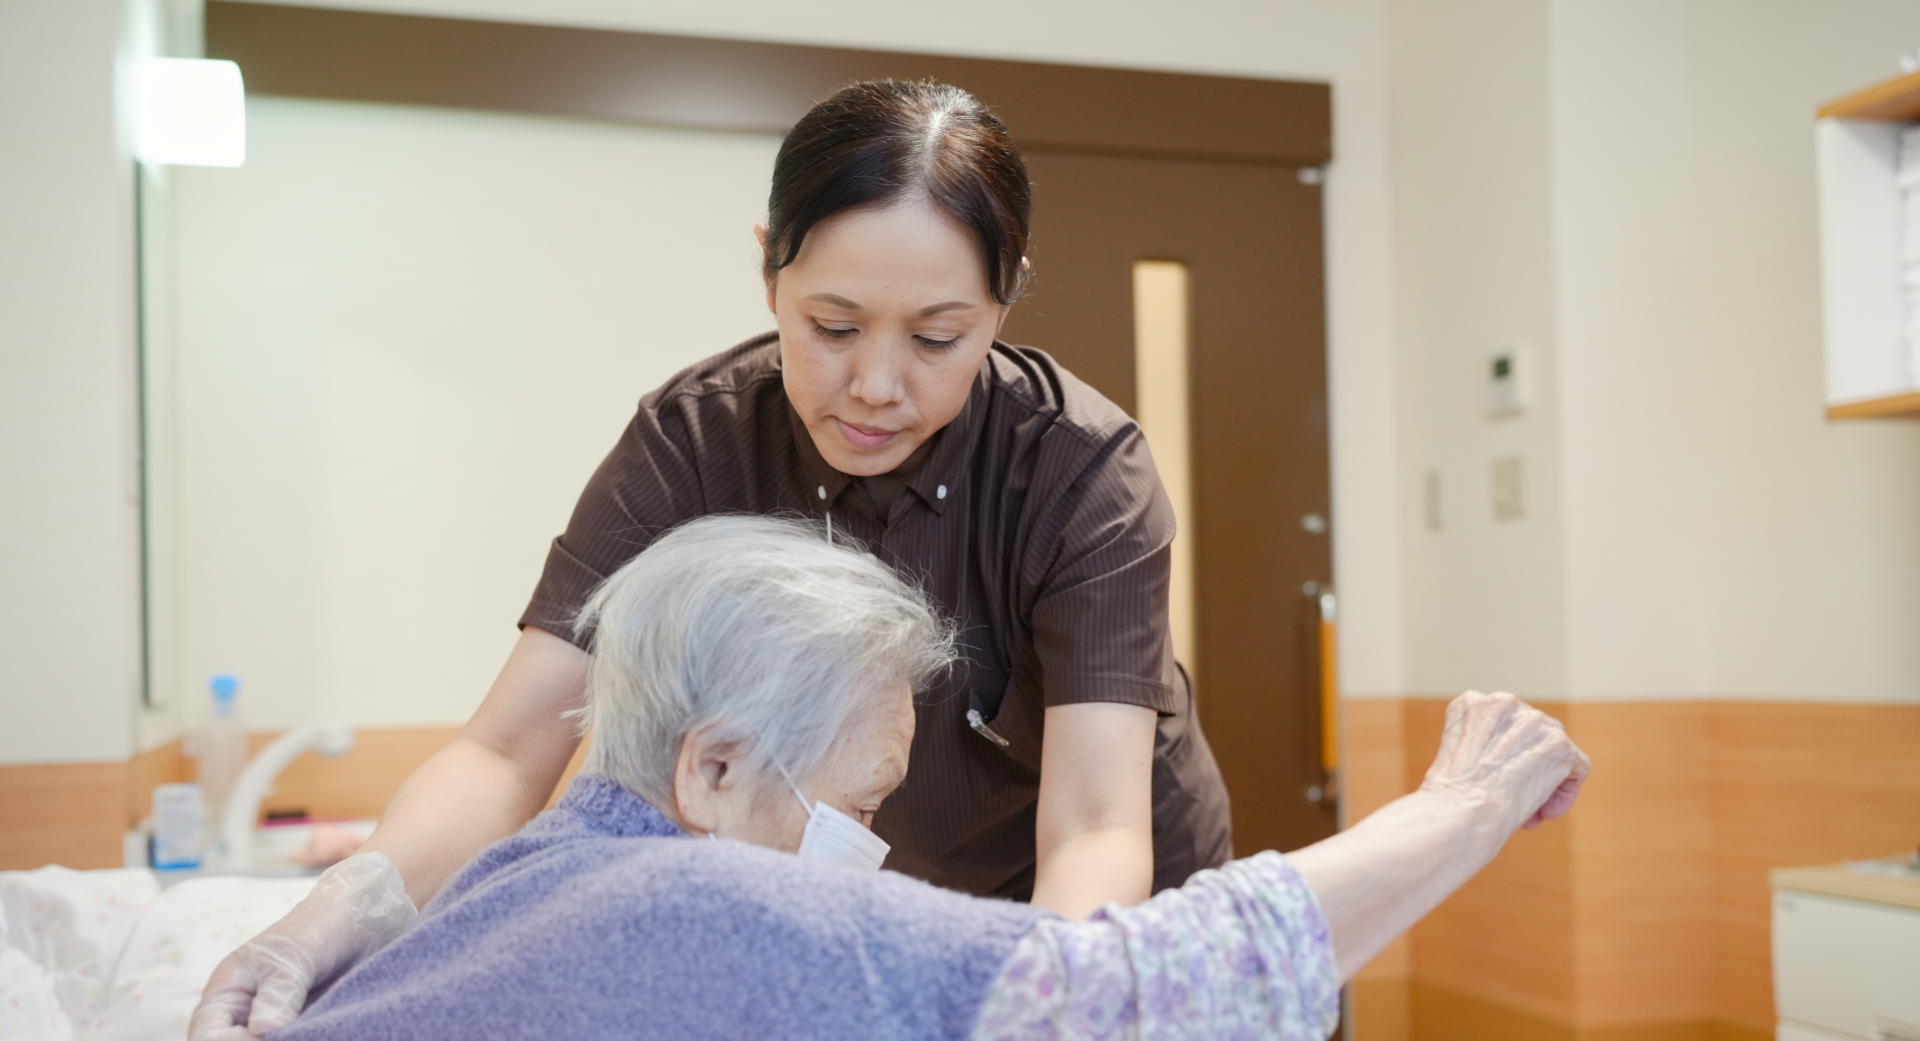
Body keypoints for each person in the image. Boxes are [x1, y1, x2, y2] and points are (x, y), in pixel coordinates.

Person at [195, 78, 1243, 1036]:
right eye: (832, 324)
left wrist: (1046, 1001)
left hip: (1085, 907)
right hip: (854, 908)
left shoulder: (1080, 474)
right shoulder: (696, 442)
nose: (877, 383)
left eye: (937, 338)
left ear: (1004, 302)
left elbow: (1096, 823)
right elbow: (508, 748)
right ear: (768, 268)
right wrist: (334, 912)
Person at [236, 515, 1589, 1041]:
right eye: (865, 801)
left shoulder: (522, 874)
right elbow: (1149, 981)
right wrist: (1460, 804)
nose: (871, 849)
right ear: (714, 767)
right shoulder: (699, 905)